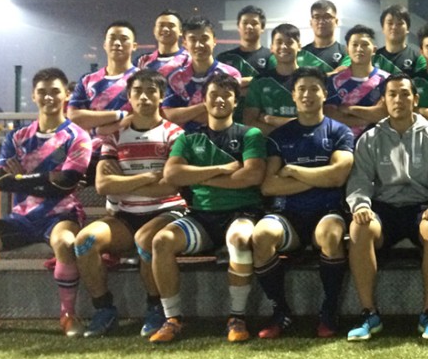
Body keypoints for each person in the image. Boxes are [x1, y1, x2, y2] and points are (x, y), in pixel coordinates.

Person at [149, 72, 266, 343]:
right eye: (214, 94)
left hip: (242, 211)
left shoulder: (250, 134)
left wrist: (198, 176)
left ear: (236, 101)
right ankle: (172, 319)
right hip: (201, 216)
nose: (220, 100)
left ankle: (237, 317)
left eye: (227, 95)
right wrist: (222, 170)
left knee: (239, 239)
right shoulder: (189, 138)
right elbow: (172, 174)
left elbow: (251, 176)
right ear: (204, 100)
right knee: (161, 242)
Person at [72, 70, 186, 337]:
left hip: (167, 211)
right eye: (138, 91)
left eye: (151, 91)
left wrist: (123, 181)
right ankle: (104, 309)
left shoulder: (174, 134)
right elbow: (102, 185)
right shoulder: (115, 136)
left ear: (161, 96)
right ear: (129, 97)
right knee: (84, 242)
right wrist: (147, 177)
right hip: (126, 216)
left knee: (146, 240)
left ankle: (155, 307)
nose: (144, 97)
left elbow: (171, 186)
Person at [344, 74, 428, 341]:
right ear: (384, 100)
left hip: (422, 206)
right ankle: (369, 313)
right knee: (359, 228)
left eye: (405, 94)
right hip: (384, 207)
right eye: (392, 94)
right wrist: (361, 205)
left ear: (415, 99)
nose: (398, 99)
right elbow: (360, 180)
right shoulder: (370, 138)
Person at [0, 68, 92, 336]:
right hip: (21, 219)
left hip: (61, 216)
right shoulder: (18, 137)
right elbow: (1, 181)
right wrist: (46, 178)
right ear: (33, 96)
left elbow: (65, 182)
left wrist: (20, 177)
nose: (48, 97)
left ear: (66, 95)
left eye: (55, 91)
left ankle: (68, 315)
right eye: (42, 92)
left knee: (65, 243)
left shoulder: (78, 136)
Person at [252, 67, 355, 338]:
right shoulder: (280, 136)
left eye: (314, 89)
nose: (307, 95)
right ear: (293, 96)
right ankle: (281, 311)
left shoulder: (340, 132)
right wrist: (320, 177)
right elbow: (269, 185)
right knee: (261, 235)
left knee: (331, 235)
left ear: (324, 94)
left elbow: (338, 176)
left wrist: (294, 171)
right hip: (288, 214)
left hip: (327, 211)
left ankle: (329, 311)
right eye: (301, 90)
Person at [67, 20, 139, 162]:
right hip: (91, 155)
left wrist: (95, 126)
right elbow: (74, 117)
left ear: (134, 46)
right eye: (112, 38)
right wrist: (120, 115)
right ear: (105, 44)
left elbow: (141, 118)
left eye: (124, 39)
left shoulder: (143, 79)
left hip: (130, 153)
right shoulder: (88, 80)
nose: (117, 43)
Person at [161, 16, 242, 130]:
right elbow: (169, 116)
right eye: (193, 39)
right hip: (184, 138)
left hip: (221, 137)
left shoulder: (230, 74)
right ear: (185, 43)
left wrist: (185, 114)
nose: (199, 45)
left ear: (214, 41)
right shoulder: (175, 78)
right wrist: (208, 105)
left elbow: (225, 112)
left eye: (204, 38)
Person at [323, 25, 390, 139]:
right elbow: (330, 114)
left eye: (365, 44)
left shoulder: (386, 80)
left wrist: (347, 109)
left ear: (374, 50)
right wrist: (367, 118)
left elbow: (383, 114)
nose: (359, 49)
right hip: (340, 143)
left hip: (376, 143)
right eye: (354, 45)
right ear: (347, 49)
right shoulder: (334, 81)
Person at [242, 23, 304, 136]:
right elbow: (249, 121)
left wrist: (272, 120)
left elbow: (313, 120)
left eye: (289, 42)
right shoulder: (260, 81)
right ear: (271, 47)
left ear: (299, 46)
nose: (284, 46)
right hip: (269, 144)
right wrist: (283, 134)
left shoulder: (309, 79)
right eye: (279, 42)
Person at [216, 5, 271, 90]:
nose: (249, 27)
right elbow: (217, 86)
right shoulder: (224, 58)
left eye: (254, 23)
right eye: (245, 23)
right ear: (238, 27)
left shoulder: (271, 57)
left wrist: (236, 83)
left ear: (262, 28)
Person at [373, 4, 426, 76]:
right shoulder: (374, 57)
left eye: (400, 23)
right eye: (390, 23)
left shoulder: (417, 58)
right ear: (383, 28)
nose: (394, 27)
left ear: (408, 29)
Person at [301, 0, 351, 73]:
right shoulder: (301, 53)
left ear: (336, 21)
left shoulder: (347, 52)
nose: (321, 21)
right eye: (317, 17)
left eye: (327, 17)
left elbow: (340, 75)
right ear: (311, 22)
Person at [136, 10, 189, 79]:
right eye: (161, 25)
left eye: (171, 26)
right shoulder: (142, 61)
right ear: (154, 30)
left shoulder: (189, 60)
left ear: (181, 31)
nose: (165, 29)